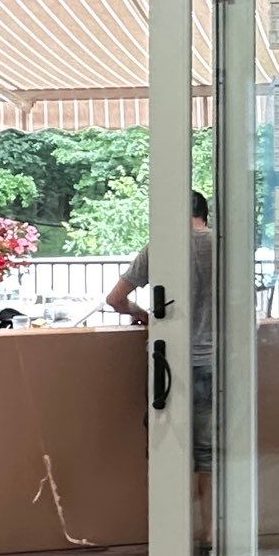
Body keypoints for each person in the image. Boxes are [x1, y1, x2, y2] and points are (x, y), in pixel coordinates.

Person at [110, 192, 215, 479]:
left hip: (167, 362)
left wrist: (145, 316)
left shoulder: (160, 247)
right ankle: (207, 524)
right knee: (207, 453)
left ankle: (168, 522)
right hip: (212, 361)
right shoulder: (221, 247)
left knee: (166, 443)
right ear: (206, 214)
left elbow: (115, 299)